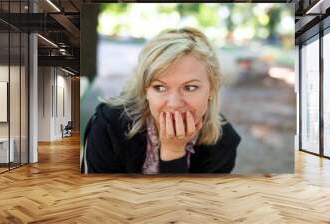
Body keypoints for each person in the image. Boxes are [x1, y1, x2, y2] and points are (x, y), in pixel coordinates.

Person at [82, 27, 241, 174]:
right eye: (160, 87)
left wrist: (173, 153)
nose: (174, 103)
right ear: (145, 89)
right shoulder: (109, 127)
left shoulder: (224, 142)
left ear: (212, 88)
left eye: (190, 87)